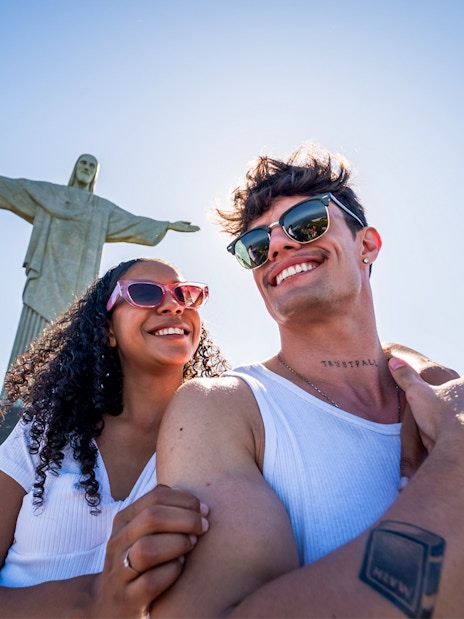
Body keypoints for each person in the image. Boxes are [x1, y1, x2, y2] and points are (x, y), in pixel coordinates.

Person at [145, 144, 463, 617]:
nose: (276, 246)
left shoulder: (439, 393)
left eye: (306, 222)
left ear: (367, 245)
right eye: (254, 247)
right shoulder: (225, 409)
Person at [0, 257, 228, 618]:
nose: (172, 305)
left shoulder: (226, 440)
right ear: (107, 330)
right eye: (145, 293)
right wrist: (94, 599)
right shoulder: (46, 432)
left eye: (185, 294)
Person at [0, 154, 200, 373]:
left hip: (77, 284)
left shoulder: (100, 209)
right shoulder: (51, 195)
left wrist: (167, 225)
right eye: (83, 163)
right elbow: (15, 189)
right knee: (35, 330)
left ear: (95, 174)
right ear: (75, 168)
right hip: (46, 279)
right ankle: (16, 397)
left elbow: (131, 222)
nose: (86, 168)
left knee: (72, 329)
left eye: (91, 165)